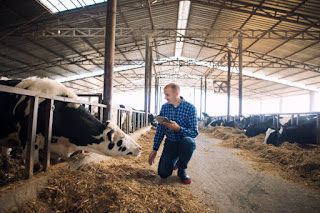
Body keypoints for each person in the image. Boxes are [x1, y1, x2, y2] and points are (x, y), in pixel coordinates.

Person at [148, 83, 198, 184]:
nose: (165, 97)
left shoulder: (190, 108)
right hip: (170, 143)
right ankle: (174, 160)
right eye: (164, 94)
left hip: (183, 143)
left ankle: (181, 169)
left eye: (167, 95)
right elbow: (160, 130)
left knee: (189, 142)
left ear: (176, 93)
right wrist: (155, 148)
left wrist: (179, 129)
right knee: (163, 173)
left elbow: (194, 133)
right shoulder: (165, 108)